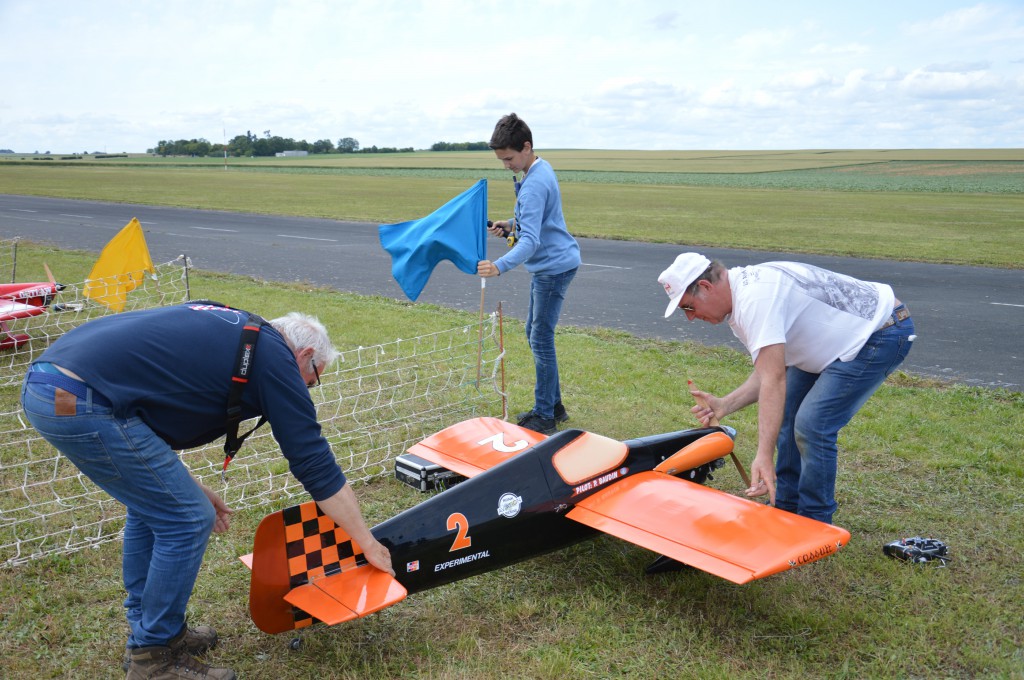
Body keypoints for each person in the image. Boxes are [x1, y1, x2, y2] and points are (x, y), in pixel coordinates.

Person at [20, 302, 394, 679]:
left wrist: (188, 484)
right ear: (305, 354)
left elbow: (150, 402)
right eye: (312, 380)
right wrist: (367, 541)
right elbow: (313, 462)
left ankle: (148, 629)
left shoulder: (237, 330)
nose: (306, 389)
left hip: (55, 383)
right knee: (186, 519)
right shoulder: (274, 358)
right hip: (80, 398)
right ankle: (152, 657)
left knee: (157, 507)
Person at [659, 253, 915, 524]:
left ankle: (815, 522)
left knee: (812, 425)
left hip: (880, 332)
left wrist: (764, 456)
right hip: (840, 338)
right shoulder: (741, 301)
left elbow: (774, 380)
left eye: (688, 307)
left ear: (707, 287)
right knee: (789, 414)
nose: (690, 318)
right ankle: (785, 507)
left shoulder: (755, 300)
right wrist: (725, 405)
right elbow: (770, 371)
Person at [477, 113, 581, 435]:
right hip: (553, 265)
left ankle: (545, 414)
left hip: (553, 269)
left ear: (526, 147)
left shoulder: (534, 182)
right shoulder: (539, 169)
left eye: (508, 158)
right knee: (534, 333)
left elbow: (532, 240)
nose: (506, 165)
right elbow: (532, 219)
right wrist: (511, 224)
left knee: (540, 337)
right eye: (501, 160)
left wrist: (499, 266)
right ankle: (555, 406)